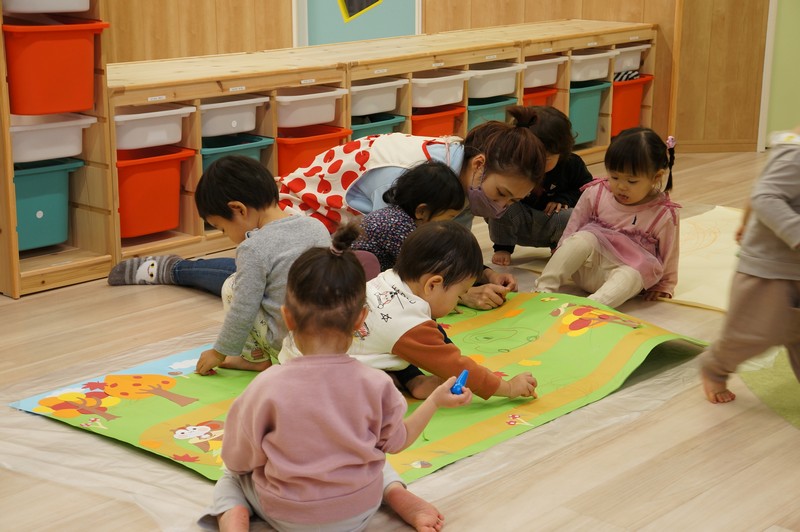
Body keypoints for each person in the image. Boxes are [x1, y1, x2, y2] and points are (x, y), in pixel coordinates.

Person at [109, 111, 547, 311]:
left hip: (346, 232)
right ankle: (176, 269)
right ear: (478, 165)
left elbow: (441, 247)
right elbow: (406, 260)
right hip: (304, 217)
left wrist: (479, 273)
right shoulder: (411, 179)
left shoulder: (455, 169)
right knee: (282, 284)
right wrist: (462, 292)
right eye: (501, 193)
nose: (500, 206)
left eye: (511, 200)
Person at [200, 223, 472, 532]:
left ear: (288, 317)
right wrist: (435, 400)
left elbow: (238, 458)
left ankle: (234, 521)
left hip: (287, 515)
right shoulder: (378, 383)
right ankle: (398, 496)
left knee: (230, 477)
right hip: (359, 510)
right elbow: (397, 441)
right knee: (375, 459)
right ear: (360, 320)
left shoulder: (266, 386)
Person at [117, 156, 332, 375]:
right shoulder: (316, 226)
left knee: (232, 286)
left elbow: (243, 308)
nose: (226, 235)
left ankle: (255, 358)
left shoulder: (253, 248)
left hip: (289, 348)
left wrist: (219, 352)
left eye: (222, 228)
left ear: (238, 209)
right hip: (332, 341)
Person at [282, 221, 539, 400]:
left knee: (399, 344)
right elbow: (455, 365)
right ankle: (408, 382)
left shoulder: (390, 279)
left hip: (298, 354)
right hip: (319, 381)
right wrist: (507, 387)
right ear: (433, 284)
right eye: (459, 294)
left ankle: (414, 381)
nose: (458, 301)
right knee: (383, 388)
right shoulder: (407, 323)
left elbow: (430, 339)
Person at [699, 128, 800, 404]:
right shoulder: (795, 154)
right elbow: (764, 196)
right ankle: (715, 366)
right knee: (753, 334)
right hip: (769, 268)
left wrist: (746, 219)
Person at [533, 128, 680, 308]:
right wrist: (563, 254)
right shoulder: (596, 192)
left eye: (631, 181)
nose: (621, 186)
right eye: (614, 177)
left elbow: (669, 253)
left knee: (634, 272)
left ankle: (591, 307)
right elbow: (573, 227)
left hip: (622, 278)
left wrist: (665, 284)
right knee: (582, 237)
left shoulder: (663, 213)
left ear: (656, 177)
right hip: (585, 269)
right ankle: (542, 290)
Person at [489, 106, 593, 265]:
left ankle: (560, 247)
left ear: (561, 151)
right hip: (520, 222)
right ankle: (503, 247)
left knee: (572, 216)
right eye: (531, 158)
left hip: (552, 222)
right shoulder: (513, 164)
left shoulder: (571, 164)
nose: (536, 165)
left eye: (545, 159)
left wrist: (564, 198)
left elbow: (587, 191)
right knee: (500, 206)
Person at [352, 159, 465, 271]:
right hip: (355, 276)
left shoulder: (396, 215)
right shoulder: (399, 228)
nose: (450, 224)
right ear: (422, 211)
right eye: (449, 217)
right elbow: (422, 268)